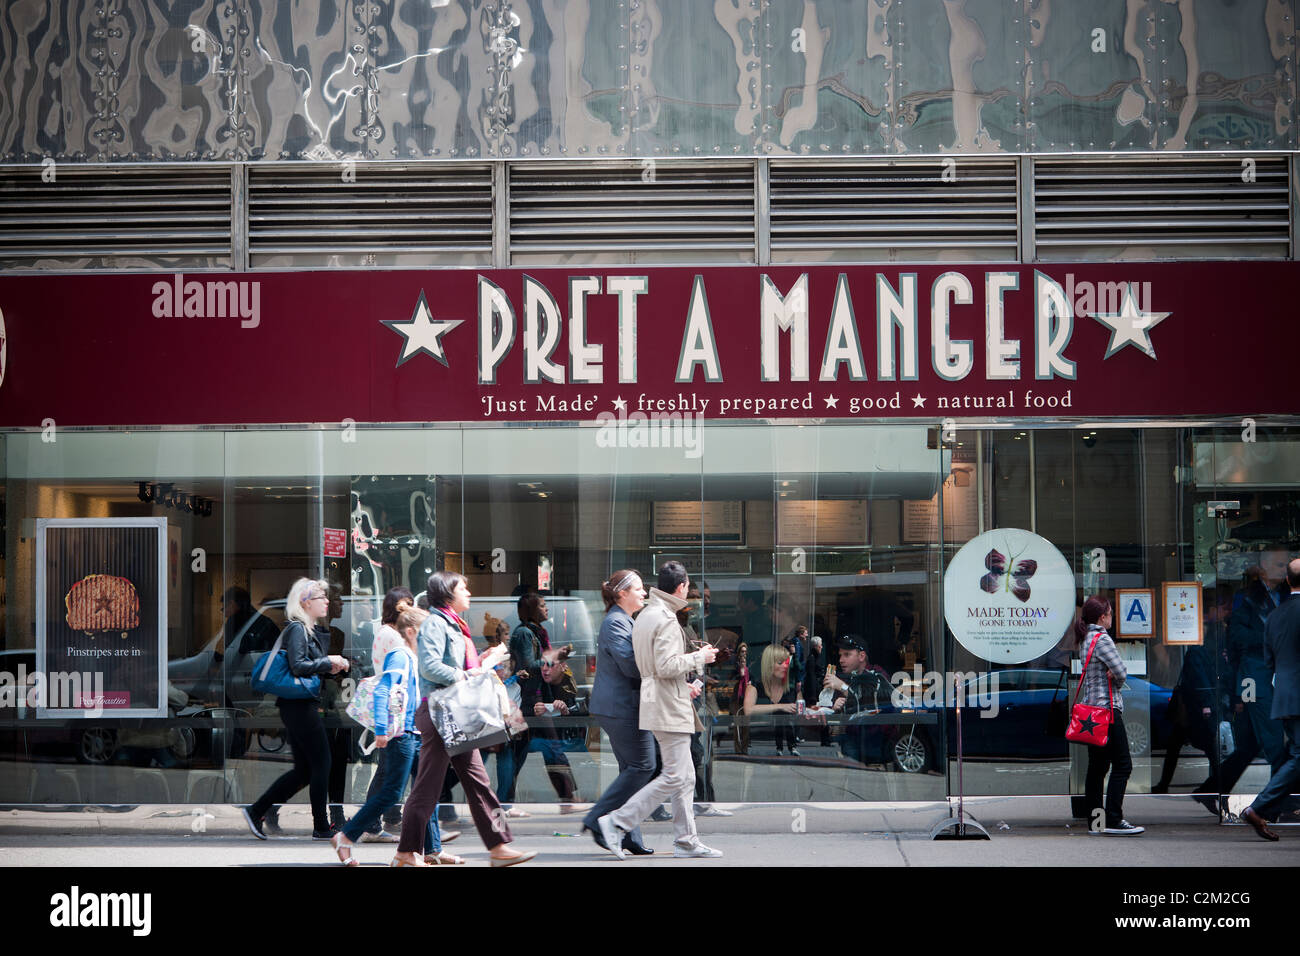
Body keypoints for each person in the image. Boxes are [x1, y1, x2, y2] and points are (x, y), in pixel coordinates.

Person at [393, 571, 536, 867]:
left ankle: (498, 846)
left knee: (477, 782)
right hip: (441, 715)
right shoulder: (436, 623)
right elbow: (430, 666)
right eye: (464, 588)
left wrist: (483, 662)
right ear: (447, 593)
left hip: (456, 715)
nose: (469, 593)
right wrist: (466, 674)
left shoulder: (454, 624)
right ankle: (406, 852)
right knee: (428, 787)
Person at [596, 562, 721, 860]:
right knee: (675, 776)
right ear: (682, 587)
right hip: (668, 705)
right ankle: (617, 822)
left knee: (685, 776)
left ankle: (687, 841)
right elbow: (665, 665)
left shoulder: (647, 614)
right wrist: (699, 657)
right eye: (689, 588)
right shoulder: (665, 618)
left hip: (659, 701)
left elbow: (650, 666)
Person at [331, 600, 462, 865]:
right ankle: (345, 836)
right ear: (412, 632)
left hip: (416, 734)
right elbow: (382, 690)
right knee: (392, 793)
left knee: (427, 791)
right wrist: (381, 729)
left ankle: (432, 849)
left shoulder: (415, 658)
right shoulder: (400, 655)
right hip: (402, 735)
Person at [243, 578, 350, 840]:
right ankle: (321, 826)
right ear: (305, 602)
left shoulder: (309, 630)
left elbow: (307, 667)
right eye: (321, 597)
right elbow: (299, 666)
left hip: (299, 705)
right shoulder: (297, 629)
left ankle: (258, 810)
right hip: (298, 706)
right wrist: (330, 661)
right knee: (322, 763)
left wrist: (329, 666)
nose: (326, 601)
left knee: (304, 770)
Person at [582, 570, 656, 855]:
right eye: (639, 588)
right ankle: (597, 819)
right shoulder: (616, 622)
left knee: (632, 769)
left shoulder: (623, 620)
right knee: (643, 766)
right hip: (621, 707)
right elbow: (632, 667)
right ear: (622, 593)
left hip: (620, 706)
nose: (644, 593)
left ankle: (628, 837)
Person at [1241, 557, 1300, 841]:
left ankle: (1262, 807)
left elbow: (1269, 660)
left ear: (1288, 582)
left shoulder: (1275, 615)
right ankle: (1258, 807)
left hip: (1286, 696)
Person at [1075, 595, 1143, 835]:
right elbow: (1121, 672)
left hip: (1091, 713)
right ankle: (1114, 818)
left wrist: (1111, 673)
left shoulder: (1086, 639)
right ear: (1102, 617)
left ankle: (1095, 821)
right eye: (1111, 613)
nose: (1112, 617)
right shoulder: (1102, 638)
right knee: (1123, 764)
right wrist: (1115, 675)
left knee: (1097, 767)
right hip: (1107, 710)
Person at [529, 644, 588, 808]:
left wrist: (566, 710)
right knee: (551, 749)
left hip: (568, 739)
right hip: (539, 739)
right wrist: (535, 709)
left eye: (550, 664)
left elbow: (583, 710)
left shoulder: (570, 683)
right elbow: (524, 707)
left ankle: (570, 798)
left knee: (584, 757)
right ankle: (568, 799)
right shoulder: (536, 684)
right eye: (542, 664)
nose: (545, 669)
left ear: (563, 666)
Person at [743, 644, 799, 756]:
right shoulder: (755, 686)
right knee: (779, 727)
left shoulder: (790, 688)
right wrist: (781, 706)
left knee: (787, 726)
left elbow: (800, 708)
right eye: (780, 663)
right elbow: (748, 710)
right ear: (768, 665)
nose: (785, 666)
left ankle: (791, 747)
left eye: (786, 662)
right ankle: (780, 748)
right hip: (756, 757)